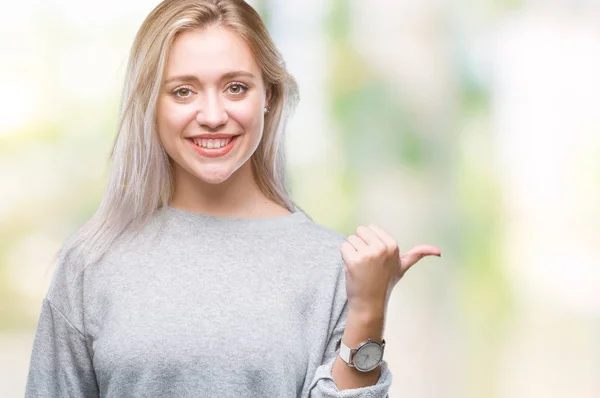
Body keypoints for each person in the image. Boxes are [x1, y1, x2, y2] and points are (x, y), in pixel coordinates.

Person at [25, 0, 441, 397]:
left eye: (236, 87)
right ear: (151, 104)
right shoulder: (92, 260)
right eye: (183, 91)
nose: (212, 115)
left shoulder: (335, 266)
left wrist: (368, 311)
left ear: (269, 98)